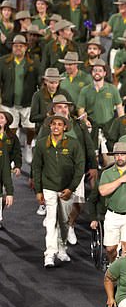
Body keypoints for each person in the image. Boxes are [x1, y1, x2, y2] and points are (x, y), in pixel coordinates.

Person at [32, 115, 85, 267]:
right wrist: (38, 190)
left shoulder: (73, 144)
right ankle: (49, 254)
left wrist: (71, 188)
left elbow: (80, 167)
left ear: (65, 127)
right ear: (49, 126)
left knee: (64, 221)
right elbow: (36, 167)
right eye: (53, 124)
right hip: (48, 187)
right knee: (50, 221)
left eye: (59, 124)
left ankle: (62, 249)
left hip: (66, 189)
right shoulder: (42, 144)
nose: (56, 126)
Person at [0, 35, 40, 164]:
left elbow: (39, 81)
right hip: (9, 103)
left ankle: (28, 146)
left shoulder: (33, 63)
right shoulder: (3, 62)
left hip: (28, 103)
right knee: (11, 130)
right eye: (15, 45)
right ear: (12, 47)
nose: (18, 48)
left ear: (26, 47)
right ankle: (13, 152)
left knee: (31, 129)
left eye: (21, 46)